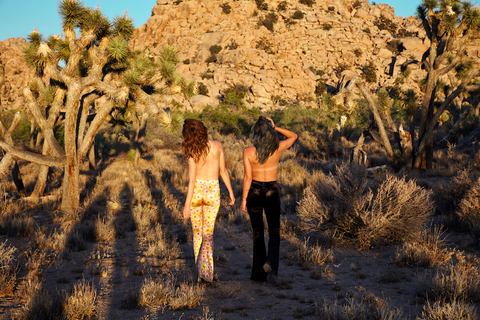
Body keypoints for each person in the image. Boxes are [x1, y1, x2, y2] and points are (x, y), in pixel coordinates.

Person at [241, 116, 297, 285]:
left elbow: (247, 177)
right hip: (272, 191)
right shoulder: (277, 148)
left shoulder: (248, 151)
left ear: (256, 132)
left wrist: (244, 199)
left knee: (258, 233)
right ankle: (271, 265)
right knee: (274, 231)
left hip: (255, 191)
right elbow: (293, 136)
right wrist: (276, 127)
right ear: (269, 131)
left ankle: (258, 274)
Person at [182, 119, 235, 283]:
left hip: (197, 191)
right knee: (208, 234)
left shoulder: (192, 151)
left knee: (197, 233)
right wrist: (231, 193)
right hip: (213, 191)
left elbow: (191, 181)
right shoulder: (217, 145)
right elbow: (223, 171)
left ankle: (201, 272)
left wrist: (186, 205)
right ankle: (206, 273)